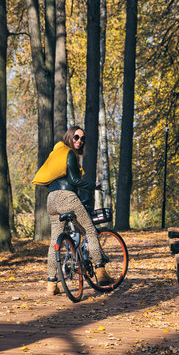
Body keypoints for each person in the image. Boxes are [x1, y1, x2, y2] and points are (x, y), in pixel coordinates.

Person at [32, 126, 113, 295]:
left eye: (82, 139)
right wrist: (94, 185)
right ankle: (100, 271)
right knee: (90, 230)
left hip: (51, 200)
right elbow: (74, 180)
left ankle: (51, 283)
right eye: (76, 137)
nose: (79, 141)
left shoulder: (55, 154)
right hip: (66, 198)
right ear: (69, 136)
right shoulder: (69, 153)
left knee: (55, 240)